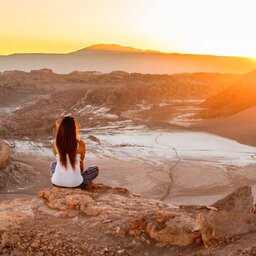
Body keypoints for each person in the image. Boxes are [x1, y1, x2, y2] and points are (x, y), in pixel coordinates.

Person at [50, 116, 99, 188]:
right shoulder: (80, 144)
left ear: (61, 129)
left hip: (56, 183)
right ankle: (77, 182)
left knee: (53, 164)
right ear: (74, 129)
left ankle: (60, 180)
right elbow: (81, 163)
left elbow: (61, 161)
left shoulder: (54, 144)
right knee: (95, 169)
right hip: (76, 184)